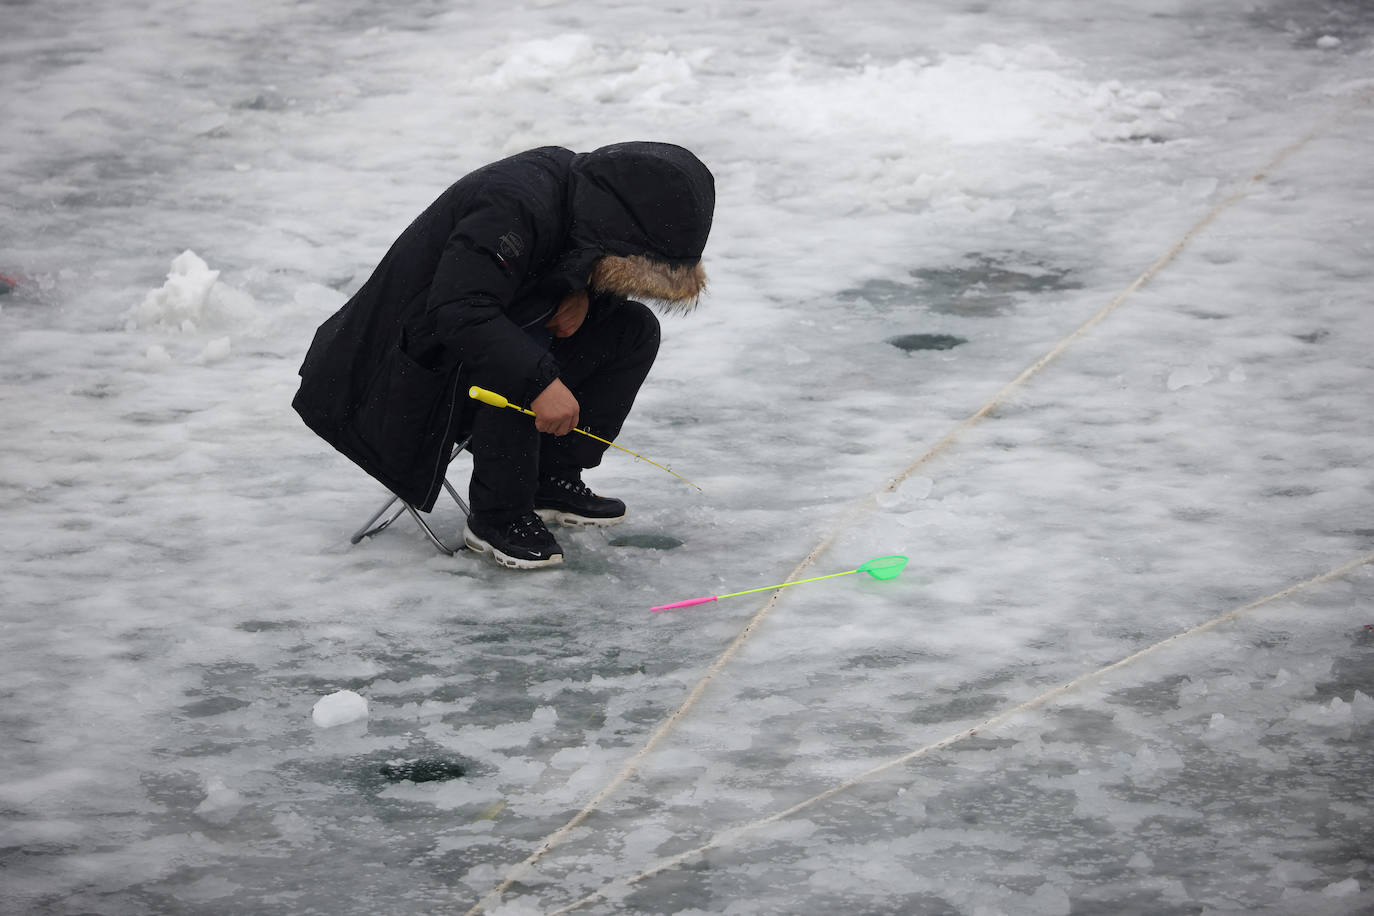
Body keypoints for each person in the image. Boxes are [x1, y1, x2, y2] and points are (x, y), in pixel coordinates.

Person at [292, 142, 715, 569]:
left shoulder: (578, 198)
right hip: (388, 382)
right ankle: (498, 516)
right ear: (621, 225)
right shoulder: (512, 203)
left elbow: (545, 268)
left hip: (457, 358)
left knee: (633, 330)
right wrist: (541, 383)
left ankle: (550, 478)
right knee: (520, 350)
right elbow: (460, 310)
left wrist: (584, 294)